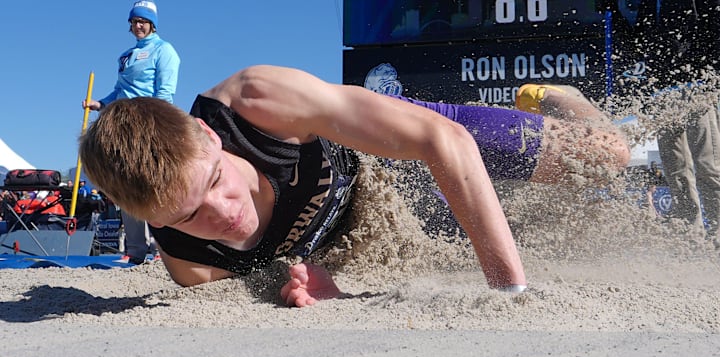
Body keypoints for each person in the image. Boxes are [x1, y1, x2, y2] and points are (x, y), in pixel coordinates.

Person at [79, 65, 629, 307]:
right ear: (153, 223)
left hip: (390, 156)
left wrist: (510, 292)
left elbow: (446, 142)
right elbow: (277, 288)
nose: (221, 214)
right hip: (380, 222)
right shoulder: (190, 261)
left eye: (216, 182)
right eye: (188, 215)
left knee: (610, 156)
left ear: (207, 136)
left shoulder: (260, 101)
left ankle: (550, 97)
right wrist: (319, 292)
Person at [82, 0, 181, 264]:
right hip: (121, 124)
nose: (138, 25)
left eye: (143, 21)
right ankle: (136, 251)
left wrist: (159, 125)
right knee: (125, 184)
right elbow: (119, 90)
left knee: (155, 186)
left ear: (152, 24)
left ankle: (163, 251)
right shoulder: (126, 56)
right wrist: (100, 104)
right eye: (134, 21)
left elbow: (165, 91)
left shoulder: (164, 50)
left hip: (148, 121)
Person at [631, 0, 720, 248]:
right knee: (675, 170)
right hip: (663, 91)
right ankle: (690, 233)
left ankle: (718, 231)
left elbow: (713, 24)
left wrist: (709, 77)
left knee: (707, 165)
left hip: (697, 87)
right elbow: (641, 35)